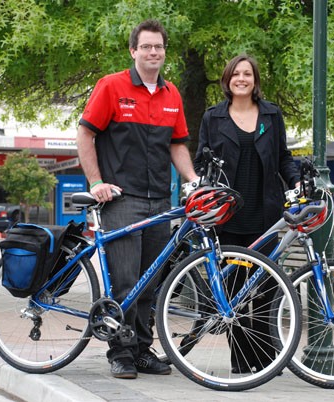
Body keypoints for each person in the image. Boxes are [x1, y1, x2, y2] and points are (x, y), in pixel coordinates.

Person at [76, 19, 199, 380]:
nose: (153, 52)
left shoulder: (171, 94)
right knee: (126, 280)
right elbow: (85, 135)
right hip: (122, 199)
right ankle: (121, 353)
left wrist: (192, 180)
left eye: (158, 47)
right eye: (146, 46)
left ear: (164, 51)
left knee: (150, 282)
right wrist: (96, 181)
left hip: (161, 200)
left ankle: (142, 350)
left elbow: (177, 144)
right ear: (133, 51)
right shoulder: (111, 87)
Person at [194, 54, 300, 373]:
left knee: (266, 290)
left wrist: (296, 182)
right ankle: (242, 362)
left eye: (248, 74)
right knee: (234, 294)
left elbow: (283, 157)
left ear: (255, 80)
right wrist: (208, 187)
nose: (242, 78)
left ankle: (268, 361)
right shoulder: (213, 117)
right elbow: (201, 161)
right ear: (227, 80)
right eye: (236, 74)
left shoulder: (271, 114)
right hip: (228, 219)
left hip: (265, 216)